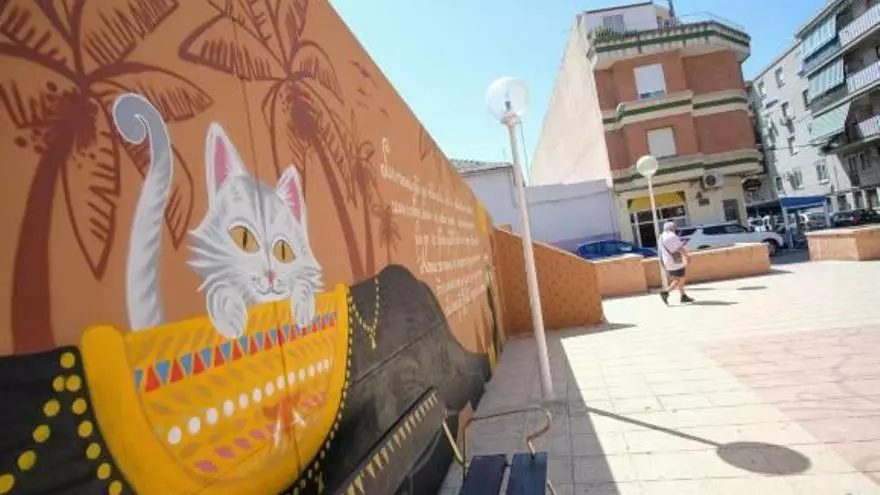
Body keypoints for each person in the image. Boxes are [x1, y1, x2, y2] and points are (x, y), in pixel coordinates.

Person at [658, 221, 693, 305]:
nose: (675, 229)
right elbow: (680, 248)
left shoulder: (661, 237)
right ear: (672, 228)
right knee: (680, 279)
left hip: (667, 262)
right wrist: (687, 256)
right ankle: (665, 292)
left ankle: (683, 296)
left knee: (676, 279)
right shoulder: (672, 236)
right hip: (676, 261)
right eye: (674, 227)